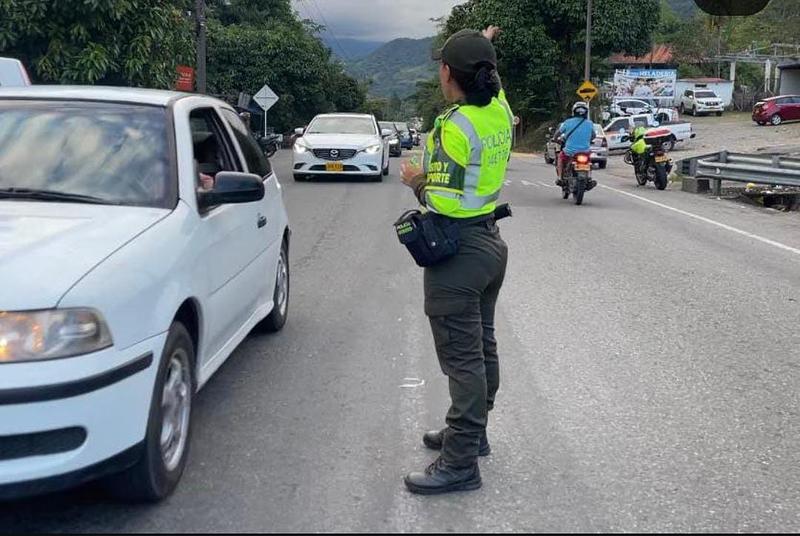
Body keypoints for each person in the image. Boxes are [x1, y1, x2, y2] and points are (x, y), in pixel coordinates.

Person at [399, 25, 512, 495]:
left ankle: (461, 463)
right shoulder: (499, 112)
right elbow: (494, 84)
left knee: (463, 361)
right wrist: (482, 46)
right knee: (482, 347)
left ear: (447, 74)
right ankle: (473, 433)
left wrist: (415, 180)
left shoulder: (454, 125)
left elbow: (443, 201)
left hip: (458, 254)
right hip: (490, 242)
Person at [555, 101, 594, 183]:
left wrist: (555, 138)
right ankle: (589, 177)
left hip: (570, 152)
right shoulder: (590, 123)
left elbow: (558, 132)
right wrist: (588, 140)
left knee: (560, 158)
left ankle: (559, 178)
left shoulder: (568, 122)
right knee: (589, 162)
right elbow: (593, 135)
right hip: (585, 152)